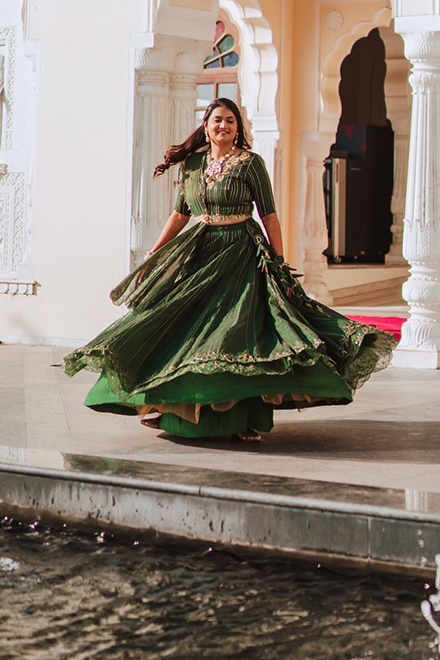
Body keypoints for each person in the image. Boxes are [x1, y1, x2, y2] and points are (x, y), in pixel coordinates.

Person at [63, 98, 394, 442]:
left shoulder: (251, 164)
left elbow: (269, 216)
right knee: (185, 328)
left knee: (238, 334)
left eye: (231, 121)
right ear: (205, 126)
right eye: (217, 120)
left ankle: (243, 418)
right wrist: (155, 253)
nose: (224, 126)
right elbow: (180, 214)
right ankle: (171, 404)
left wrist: (278, 263)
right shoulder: (192, 165)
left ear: (238, 129)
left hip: (242, 254)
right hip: (201, 253)